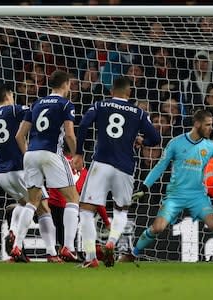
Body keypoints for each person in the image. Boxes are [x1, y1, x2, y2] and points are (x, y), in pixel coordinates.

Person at [120, 109, 213, 262]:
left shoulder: (211, 147)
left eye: (211, 125)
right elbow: (159, 167)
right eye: (207, 125)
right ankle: (133, 254)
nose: (210, 128)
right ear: (197, 124)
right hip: (175, 195)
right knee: (158, 228)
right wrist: (144, 188)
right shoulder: (176, 143)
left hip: (198, 196)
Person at [72, 76, 161, 268]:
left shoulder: (100, 106)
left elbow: (84, 125)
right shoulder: (138, 112)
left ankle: (90, 257)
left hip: (101, 163)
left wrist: (79, 153)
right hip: (126, 167)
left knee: (86, 211)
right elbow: (155, 138)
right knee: (121, 211)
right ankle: (111, 242)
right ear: (129, 93)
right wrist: (141, 141)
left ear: (112, 92)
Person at [0, 84, 61, 263]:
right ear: (8, 96)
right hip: (20, 169)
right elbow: (35, 110)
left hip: (2, 174)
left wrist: (2, 151)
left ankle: (14, 230)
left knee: (24, 203)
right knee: (43, 208)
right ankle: (50, 252)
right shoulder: (14, 110)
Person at [13, 70, 80, 262]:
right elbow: (69, 134)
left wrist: (29, 155)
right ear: (66, 84)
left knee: (32, 201)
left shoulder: (36, 103)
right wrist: (77, 154)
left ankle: (17, 245)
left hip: (31, 154)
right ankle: (68, 247)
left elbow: (19, 135)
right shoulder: (65, 104)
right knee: (73, 198)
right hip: (51, 153)